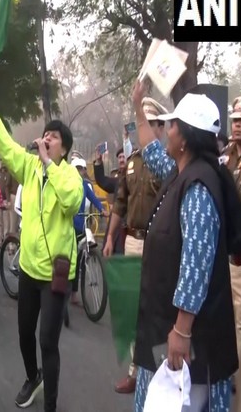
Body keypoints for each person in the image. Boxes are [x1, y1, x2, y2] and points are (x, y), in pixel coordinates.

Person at [130, 82, 241, 412]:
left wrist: (181, 330)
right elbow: (151, 151)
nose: (166, 131)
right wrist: (139, 107)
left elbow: (197, 263)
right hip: (167, 331)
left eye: (172, 124)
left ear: (187, 136)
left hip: (190, 341)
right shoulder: (181, 173)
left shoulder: (198, 188)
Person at [0, 80, 83, 411]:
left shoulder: (68, 176)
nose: (46, 139)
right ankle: (32, 376)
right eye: (46, 134)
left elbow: (71, 203)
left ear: (63, 149)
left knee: (47, 341)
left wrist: (50, 166)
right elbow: (7, 146)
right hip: (29, 268)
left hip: (56, 273)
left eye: (53, 137)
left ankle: (50, 404)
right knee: (25, 334)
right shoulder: (30, 168)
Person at [104, 97, 168, 394]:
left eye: (151, 123)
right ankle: (135, 370)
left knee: (155, 309)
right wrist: (108, 237)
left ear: (161, 128)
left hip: (158, 246)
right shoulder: (130, 163)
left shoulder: (167, 162)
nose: (146, 128)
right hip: (131, 241)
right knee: (132, 309)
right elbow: (120, 204)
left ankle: (160, 370)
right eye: (143, 122)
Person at [224, 94, 241, 412]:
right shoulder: (228, 159)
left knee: (240, 340)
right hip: (230, 261)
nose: (239, 123)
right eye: (236, 119)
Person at [70, 158, 105, 306]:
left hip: (81, 226)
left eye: (82, 168)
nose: (80, 171)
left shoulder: (85, 185)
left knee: (78, 260)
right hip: (68, 228)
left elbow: (94, 199)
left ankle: (73, 293)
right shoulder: (67, 184)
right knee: (67, 260)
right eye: (77, 168)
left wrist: (102, 209)